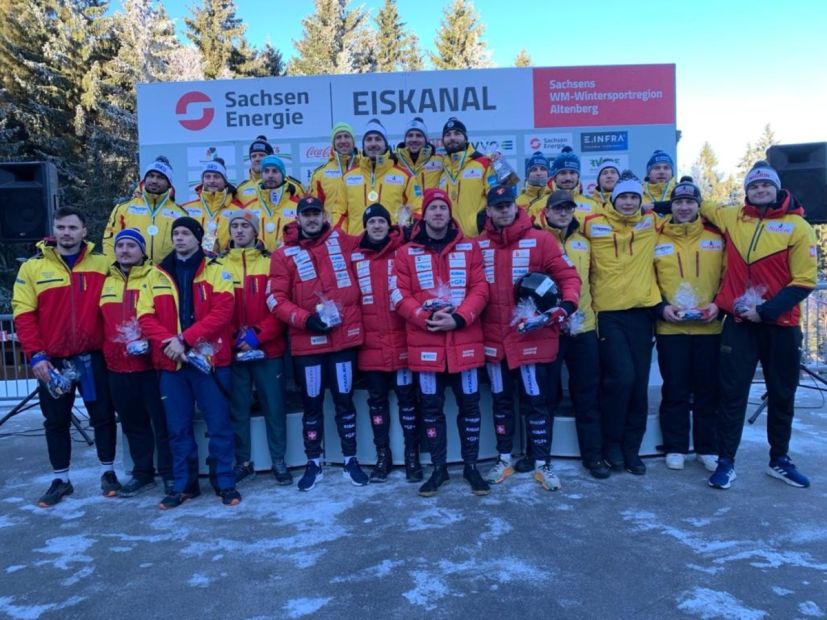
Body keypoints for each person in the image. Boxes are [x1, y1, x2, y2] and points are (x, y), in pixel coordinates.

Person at [701, 161, 818, 489]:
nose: (760, 190)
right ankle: (726, 461)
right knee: (732, 394)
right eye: (754, 186)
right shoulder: (732, 216)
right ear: (747, 191)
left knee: (782, 394)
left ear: (777, 188)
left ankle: (779, 460)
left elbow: (804, 281)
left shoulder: (798, 226)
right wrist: (656, 205)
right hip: (740, 324)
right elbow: (701, 204)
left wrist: (765, 312)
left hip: (780, 324)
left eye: (766, 185)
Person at [13, 207, 119, 507]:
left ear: (85, 231)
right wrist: (36, 356)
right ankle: (61, 479)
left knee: (102, 417)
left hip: (92, 358)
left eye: (72, 227)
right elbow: (23, 314)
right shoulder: (33, 269)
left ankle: (108, 473)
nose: (66, 233)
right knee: (55, 421)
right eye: (61, 227)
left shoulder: (102, 264)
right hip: (53, 361)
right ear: (54, 230)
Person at [478, 186, 581, 491]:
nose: (504, 211)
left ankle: (542, 463)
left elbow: (569, 277)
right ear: (489, 211)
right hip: (494, 340)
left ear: (516, 207)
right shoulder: (478, 245)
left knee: (537, 403)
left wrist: (566, 305)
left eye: (508, 205)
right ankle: (504, 458)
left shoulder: (541, 239)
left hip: (531, 338)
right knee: (500, 401)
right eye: (498, 206)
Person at [136, 217, 241, 509]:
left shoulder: (217, 269)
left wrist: (185, 339)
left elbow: (223, 311)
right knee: (177, 428)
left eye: (185, 233)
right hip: (172, 364)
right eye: (176, 233)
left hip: (209, 361)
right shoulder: (156, 274)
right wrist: (171, 342)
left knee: (219, 424)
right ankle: (185, 485)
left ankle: (224, 481)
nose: (179, 238)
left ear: (197, 238)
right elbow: (145, 316)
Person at [268, 196, 369, 491]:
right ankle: (314, 461)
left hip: (343, 342)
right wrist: (305, 320)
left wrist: (399, 229)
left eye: (316, 214)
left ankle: (350, 459)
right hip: (307, 344)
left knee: (344, 401)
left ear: (324, 216)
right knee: (311, 405)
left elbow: (373, 242)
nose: (312, 219)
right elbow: (275, 299)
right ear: (298, 219)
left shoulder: (342, 240)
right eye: (306, 215)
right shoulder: (283, 254)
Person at [394, 188, 490, 497]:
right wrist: (424, 318)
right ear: (425, 214)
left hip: (465, 340)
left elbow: (481, 289)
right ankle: (439, 469)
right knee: (431, 410)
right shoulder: (406, 251)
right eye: (433, 207)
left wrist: (460, 318)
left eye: (443, 208)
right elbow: (398, 294)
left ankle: (471, 467)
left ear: (450, 214)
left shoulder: (470, 248)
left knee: (470, 407)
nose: (438, 213)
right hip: (425, 344)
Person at [581, 174, 660, 475]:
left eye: (634, 198)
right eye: (623, 197)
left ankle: (632, 450)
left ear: (641, 200)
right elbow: (554, 221)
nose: (628, 202)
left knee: (639, 383)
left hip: (642, 313)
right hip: (607, 314)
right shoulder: (592, 223)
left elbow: (686, 214)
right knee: (621, 378)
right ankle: (610, 444)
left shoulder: (652, 224)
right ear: (612, 199)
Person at [536, 190, 611, 479]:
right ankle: (538, 455)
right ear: (547, 211)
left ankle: (593, 457)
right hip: (550, 327)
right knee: (545, 396)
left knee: (587, 395)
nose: (563, 213)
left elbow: (595, 280)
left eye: (568, 208)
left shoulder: (584, 241)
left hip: (583, 326)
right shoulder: (538, 240)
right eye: (558, 209)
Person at [653, 177, 724, 472]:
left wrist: (719, 305)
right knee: (675, 388)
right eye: (678, 202)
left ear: (698, 205)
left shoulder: (717, 236)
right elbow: (646, 279)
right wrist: (661, 308)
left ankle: (707, 447)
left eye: (689, 202)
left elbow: (729, 276)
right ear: (670, 205)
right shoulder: (657, 237)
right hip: (672, 327)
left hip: (710, 327)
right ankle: (676, 446)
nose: (683, 207)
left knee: (708, 389)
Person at [100, 229, 173, 496]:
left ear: (143, 251)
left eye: (132, 245)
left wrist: (152, 343)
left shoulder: (156, 277)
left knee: (162, 421)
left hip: (150, 365)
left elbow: (164, 317)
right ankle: (143, 473)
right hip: (117, 366)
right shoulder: (105, 281)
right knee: (133, 423)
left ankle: (169, 473)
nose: (125, 250)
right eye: (121, 245)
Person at [223, 210, 292, 486]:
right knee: (238, 408)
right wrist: (233, 338)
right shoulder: (218, 265)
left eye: (245, 226)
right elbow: (215, 308)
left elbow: (280, 305)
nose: (239, 231)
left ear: (256, 232)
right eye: (235, 226)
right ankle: (243, 461)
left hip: (267, 348)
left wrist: (258, 335)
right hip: (234, 350)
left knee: (273, 406)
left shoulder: (271, 262)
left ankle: (279, 460)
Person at [353, 203, 421, 482]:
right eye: (372, 223)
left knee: (408, 401)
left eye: (382, 221)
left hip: (402, 343)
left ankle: (412, 455)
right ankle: (383, 455)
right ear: (365, 227)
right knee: (377, 402)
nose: (377, 227)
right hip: (371, 346)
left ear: (389, 224)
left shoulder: (403, 252)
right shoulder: (355, 256)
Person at [335, 118, 421, 234]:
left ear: (385, 144)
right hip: (357, 245)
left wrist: (404, 234)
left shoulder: (405, 177)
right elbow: (340, 213)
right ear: (363, 145)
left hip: (393, 244)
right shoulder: (347, 178)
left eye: (378, 139)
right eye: (369, 139)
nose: (373, 143)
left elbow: (417, 209)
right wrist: (344, 240)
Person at [102, 156, 187, 263]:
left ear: (169, 183)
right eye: (151, 176)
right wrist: (115, 268)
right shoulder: (123, 209)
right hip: (132, 273)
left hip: (166, 275)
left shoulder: (181, 214)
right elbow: (109, 242)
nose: (154, 181)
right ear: (144, 179)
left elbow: (187, 248)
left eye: (160, 177)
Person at [438, 117, 496, 237]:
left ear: (465, 138)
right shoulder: (441, 169)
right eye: (448, 135)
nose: (452, 137)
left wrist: (479, 223)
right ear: (443, 140)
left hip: (479, 238)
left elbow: (495, 196)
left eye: (457, 133)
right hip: (449, 240)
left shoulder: (484, 163)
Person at [180, 157, 246, 255]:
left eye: (216, 176)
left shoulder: (239, 210)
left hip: (228, 264)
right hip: (196, 265)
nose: (212, 181)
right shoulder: (186, 209)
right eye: (207, 177)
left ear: (225, 181)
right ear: (202, 180)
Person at [239, 154, 305, 251]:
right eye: (266, 171)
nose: (270, 175)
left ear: (283, 175)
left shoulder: (298, 206)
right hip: (258, 263)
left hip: (288, 262)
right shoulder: (249, 209)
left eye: (275, 171)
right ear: (261, 175)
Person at [309, 122, 360, 211]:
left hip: (359, 224)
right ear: (333, 143)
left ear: (353, 141)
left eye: (346, 136)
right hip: (333, 224)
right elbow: (315, 209)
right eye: (338, 137)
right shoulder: (320, 174)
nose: (343, 141)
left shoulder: (365, 167)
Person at [395, 117, 443, 191]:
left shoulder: (440, 160)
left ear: (426, 140)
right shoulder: (394, 162)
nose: (414, 139)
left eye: (419, 135)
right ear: (405, 140)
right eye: (410, 135)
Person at [548, 147, 598, 219]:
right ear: (555, 177)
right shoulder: (540, 205)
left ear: (578, 176)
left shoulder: (593, 205)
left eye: (572, 173)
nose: (568, 178)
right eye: (563, 173)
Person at [236, 135, 275, 201]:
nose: (257, 159)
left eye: (261, 155)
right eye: (254, 156)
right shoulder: (240, 190)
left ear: (271, 158)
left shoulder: (288, 186)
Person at [517, 151, 552, 222]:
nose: (539, 173)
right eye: (534, 170)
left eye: (543, 169)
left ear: (549, 175)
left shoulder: (555, 198)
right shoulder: (517, 202)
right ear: (527, 176)